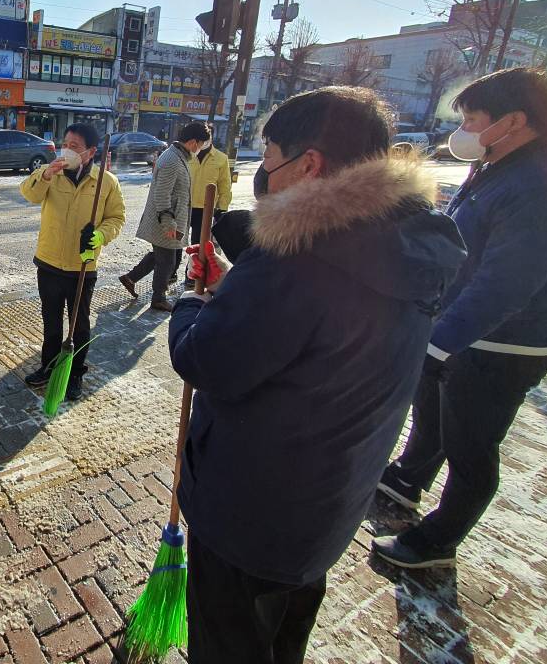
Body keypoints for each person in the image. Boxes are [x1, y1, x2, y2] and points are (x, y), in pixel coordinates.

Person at [167, 87, 465, 664]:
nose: (264, 171)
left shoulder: (295, 255)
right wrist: (233, 287)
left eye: (269, 155)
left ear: (309, 164)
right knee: (283, 636)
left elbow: (206, 359)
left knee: (230, 642)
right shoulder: (405, 239)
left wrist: (192, 302)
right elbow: (312, 330)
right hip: (326, 503)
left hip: (250, 514)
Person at [373, 68, 547, 569]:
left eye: (471, 120)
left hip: (503, 344)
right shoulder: (498, 163)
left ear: (514, 121)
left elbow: (506, 284)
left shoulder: (541, 183)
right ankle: (408, 477)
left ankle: (438, 540)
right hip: (457, 327)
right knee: (433, 413)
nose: (462, 131)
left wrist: (440, 344)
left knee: (471, 443)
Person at [21, 123, 126, 401]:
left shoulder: (106, 182)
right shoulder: (51, 173)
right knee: (51, 322)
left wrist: (101, 235)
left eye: (75, 146)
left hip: (83, 266)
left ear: (90, 152)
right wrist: (45, 175)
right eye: (65, 144)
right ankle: (48, 366)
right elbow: (29, 194)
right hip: (49, 262)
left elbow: (116, 218)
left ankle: (75, 372)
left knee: (79, 325)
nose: (67, 150)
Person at [119, 120, 207, 311]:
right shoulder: (172, 160)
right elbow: (162, 193)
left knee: (160, 256)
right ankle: (158, 298)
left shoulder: (178, 156)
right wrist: (168, 223)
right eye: (201, 144)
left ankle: (130, 278)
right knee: (167, 261)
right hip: (165, 221)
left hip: (169, 219)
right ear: (193, 142)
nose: (201, 148)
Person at [188, 123, 233, 245]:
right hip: (185, 205)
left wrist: (222, 208)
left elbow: (225, 185)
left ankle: (194, 259)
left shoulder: (221, 158)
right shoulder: (188, 155)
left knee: (198, 244)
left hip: (206, 209)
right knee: (176, 243)